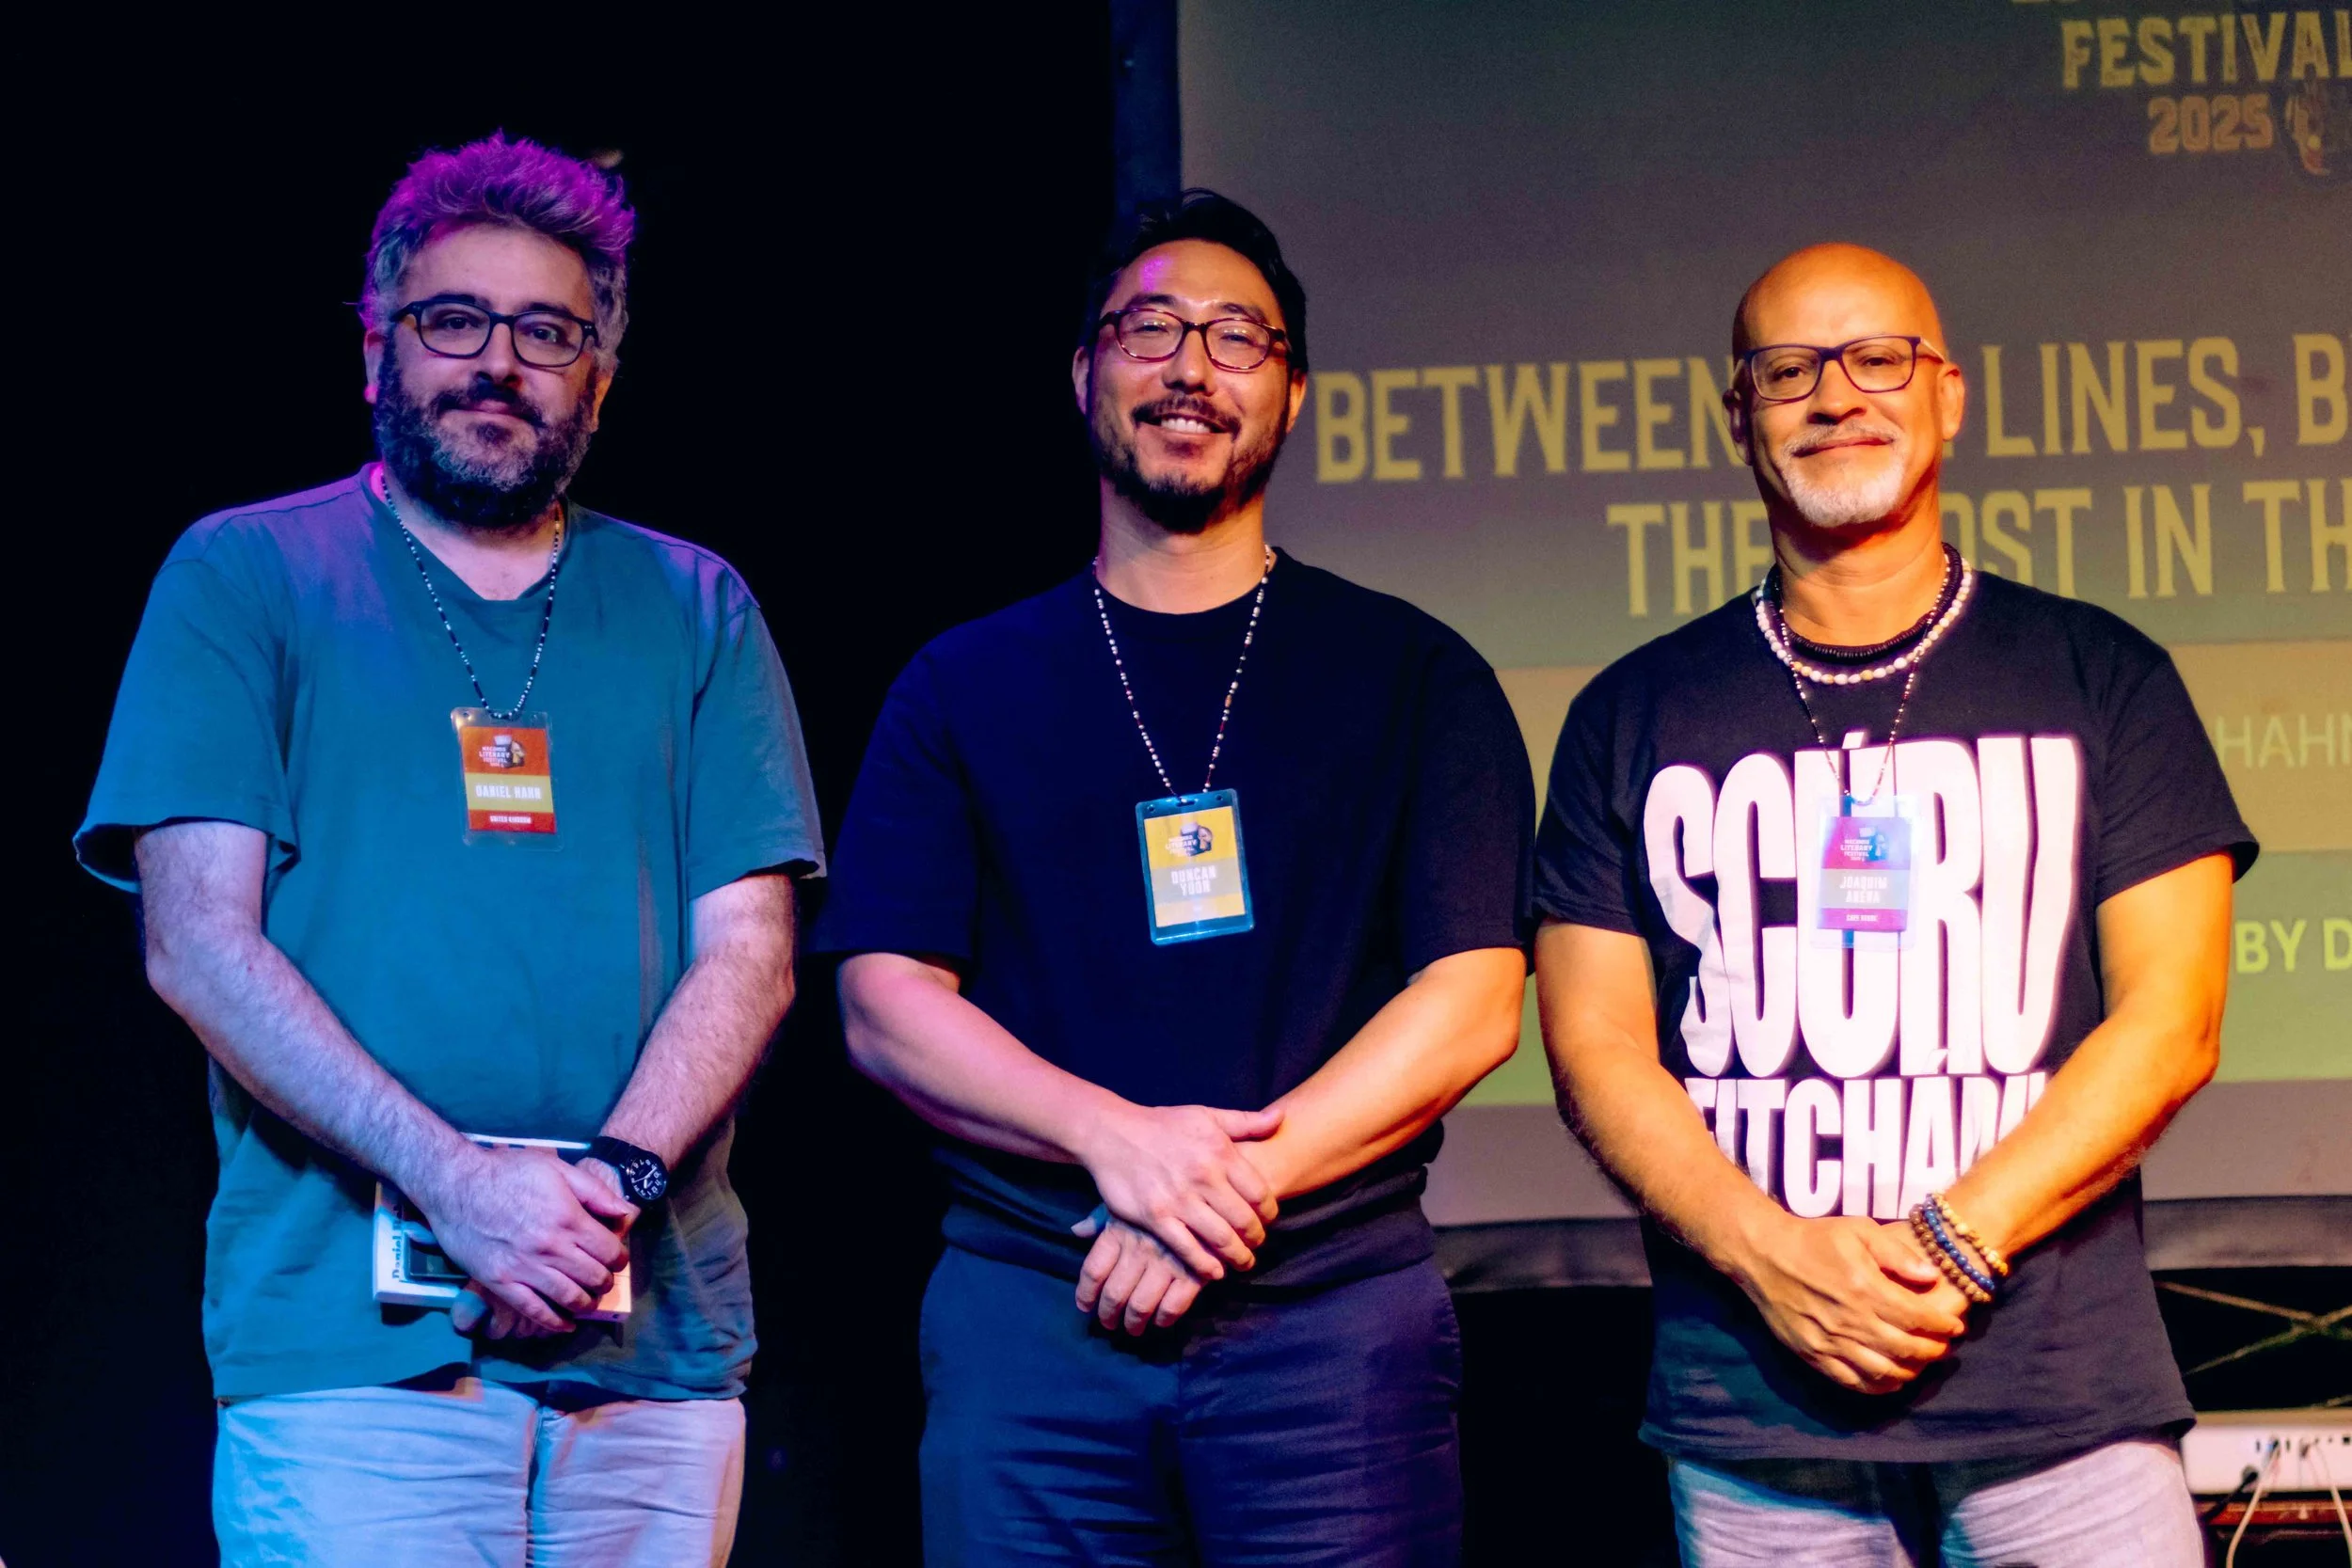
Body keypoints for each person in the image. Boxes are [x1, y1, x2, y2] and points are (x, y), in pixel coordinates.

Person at [77, 135, 821, 1565]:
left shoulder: (697, 601)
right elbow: (196, 942)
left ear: (599, 376)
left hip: (655, 1346)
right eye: (453, 321)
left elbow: (754, 950)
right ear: (375, 352)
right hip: (348, 1350)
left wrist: (609, 1190)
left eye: (548, 332)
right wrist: (459, 1184)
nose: (499, 363)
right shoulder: (246, 574)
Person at [814, 190, 1533, 1566]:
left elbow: (1474, 1000)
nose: (1191, 367)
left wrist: (1205, 1201)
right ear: (1083, 373)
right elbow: (884, 1002)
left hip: (1331, 1328)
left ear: (1294, 393)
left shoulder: (1414, 674)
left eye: (1237, 337)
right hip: (1037, 1314)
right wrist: (1116, 1142)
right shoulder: (962, 683)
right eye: (1150, 330)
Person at [1533, 242, 2254, 1566]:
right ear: (1737, 414)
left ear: (1949, 395)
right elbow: (1593, 1047)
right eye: (1789, 368)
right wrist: (1771, 1258)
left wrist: (1947, 1246)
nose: (1837, 395)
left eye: (1879, 358)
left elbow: (2175, 1019)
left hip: (2062, 1404)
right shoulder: (1629, 713)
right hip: (1757, 1414)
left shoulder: (2102, 675)